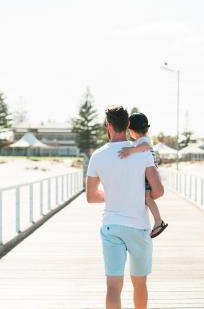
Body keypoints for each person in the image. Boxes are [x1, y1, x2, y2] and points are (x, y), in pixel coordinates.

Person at [86, 105, 164, 309]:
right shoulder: (143, 151)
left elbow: (92, 196)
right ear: (128, 124)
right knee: (139, 284)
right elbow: (158, 191)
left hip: (111, 226)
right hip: (138, 226)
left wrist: (115, 195)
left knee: (113, 286)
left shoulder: (98, 155)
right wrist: (136, 195)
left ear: (108, 126)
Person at [118, 112, 168, 238]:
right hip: (149, 174)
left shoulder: (143, 141)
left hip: (148, 176)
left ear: (132, 130)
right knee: (146, 199)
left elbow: (145, 147)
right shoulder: (141, 141)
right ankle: (157, 221)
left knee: (147, 199)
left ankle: (158, 221)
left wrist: (130, 150)